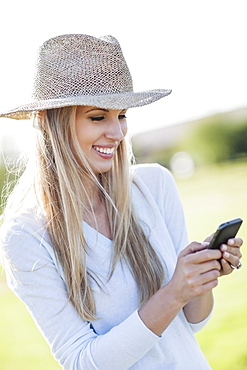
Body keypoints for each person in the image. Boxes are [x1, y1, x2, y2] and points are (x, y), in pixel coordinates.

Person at [0, 34, 243, 370]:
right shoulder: (25, 236)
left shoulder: (154, 185)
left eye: (122, 115)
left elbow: (194, 323)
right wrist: (172, 292)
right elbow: (83, 361)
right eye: (98, 117)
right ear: (47, 122)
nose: (117, 133)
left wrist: (198, 279)